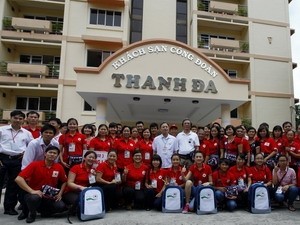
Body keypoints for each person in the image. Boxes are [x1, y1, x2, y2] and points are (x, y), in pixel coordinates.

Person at [15, 146, 67, 223]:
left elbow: (64, 181)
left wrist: (60, 193)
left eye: (55, 153)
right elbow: (18, 179)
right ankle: (31, 213)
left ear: (57, 156)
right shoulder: (35, 164)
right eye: (50, 152)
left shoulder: (59, 167)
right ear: (45, 154)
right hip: (35, 193)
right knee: (33, 198)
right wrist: (32, 191)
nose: (52, 154)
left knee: (60, 206)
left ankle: (42, 211)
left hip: (49, 195)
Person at [0, 110, 33, 216]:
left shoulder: (27, 133)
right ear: (11, 118)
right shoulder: (2, 130)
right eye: (15, 118)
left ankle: (9, 208)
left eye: (20, 118)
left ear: (24, 120)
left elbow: (31, 146)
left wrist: (25, 153)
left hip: (18, 160)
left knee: (13, 185)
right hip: (2, 159)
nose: (18, 120)